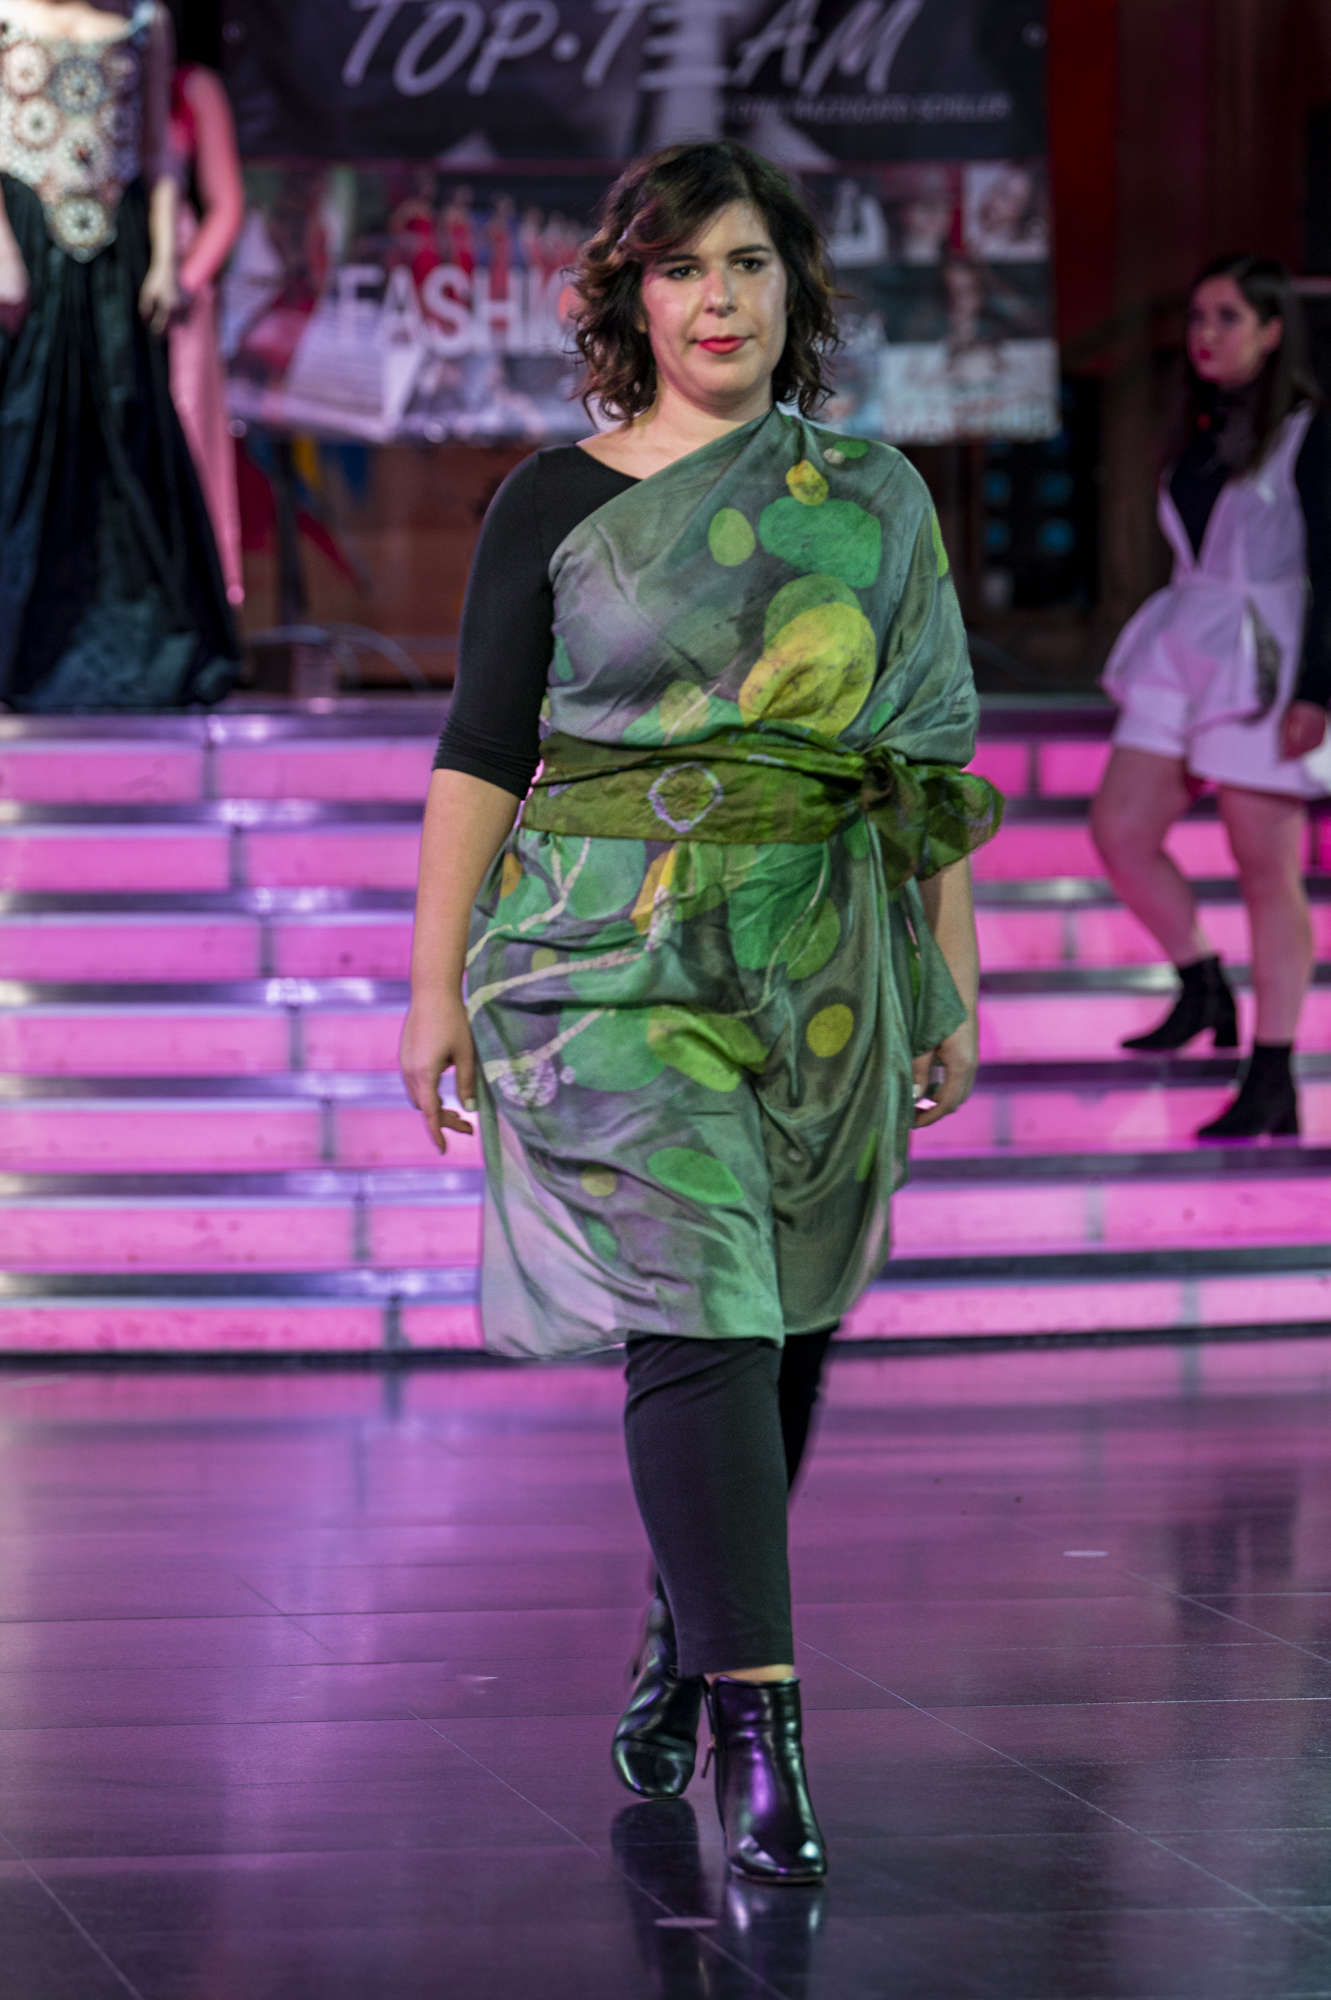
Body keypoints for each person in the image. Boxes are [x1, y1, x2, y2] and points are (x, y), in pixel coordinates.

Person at [399, 140, 1001, 1884]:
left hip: (822, 959)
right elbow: (481, 751)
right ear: (631, 299)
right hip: (607, 955)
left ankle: (692, 1627)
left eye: (745, 263)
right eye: (679, 269)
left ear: (793, 286)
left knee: (785, 1321)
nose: (717, 299)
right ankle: (761, 1733)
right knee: (706, 1311)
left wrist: (948, 979)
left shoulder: (872, 496)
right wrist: (429, 983)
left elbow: (924, 758)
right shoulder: (552, 499)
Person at [1092, 255, 1331, 1139]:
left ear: (1271, 330)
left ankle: (1271, 1071)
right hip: (1186, 640)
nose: (1205, 333)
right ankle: (1201, 983)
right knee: (1119, 829)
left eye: (1227, 317)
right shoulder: (1198, 425)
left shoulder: (1308, 432)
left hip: (1266, 657)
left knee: (1266, 869)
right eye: (1197, 316)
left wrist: (1316, 689)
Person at [0, 0, 238, 709]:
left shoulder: (143, 20)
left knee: (127, 431)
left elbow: (158, 154)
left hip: (114, 252)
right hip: (27, 240)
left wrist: (166, 260)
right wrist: (4, 254)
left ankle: (134, 650)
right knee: (21, 432)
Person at [167, 5, 245, 607]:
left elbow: (226, 204)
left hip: (176, 293)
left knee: (186, 434)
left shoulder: (192, 86)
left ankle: (191, 598)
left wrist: (185, 280)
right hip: (92, 282)